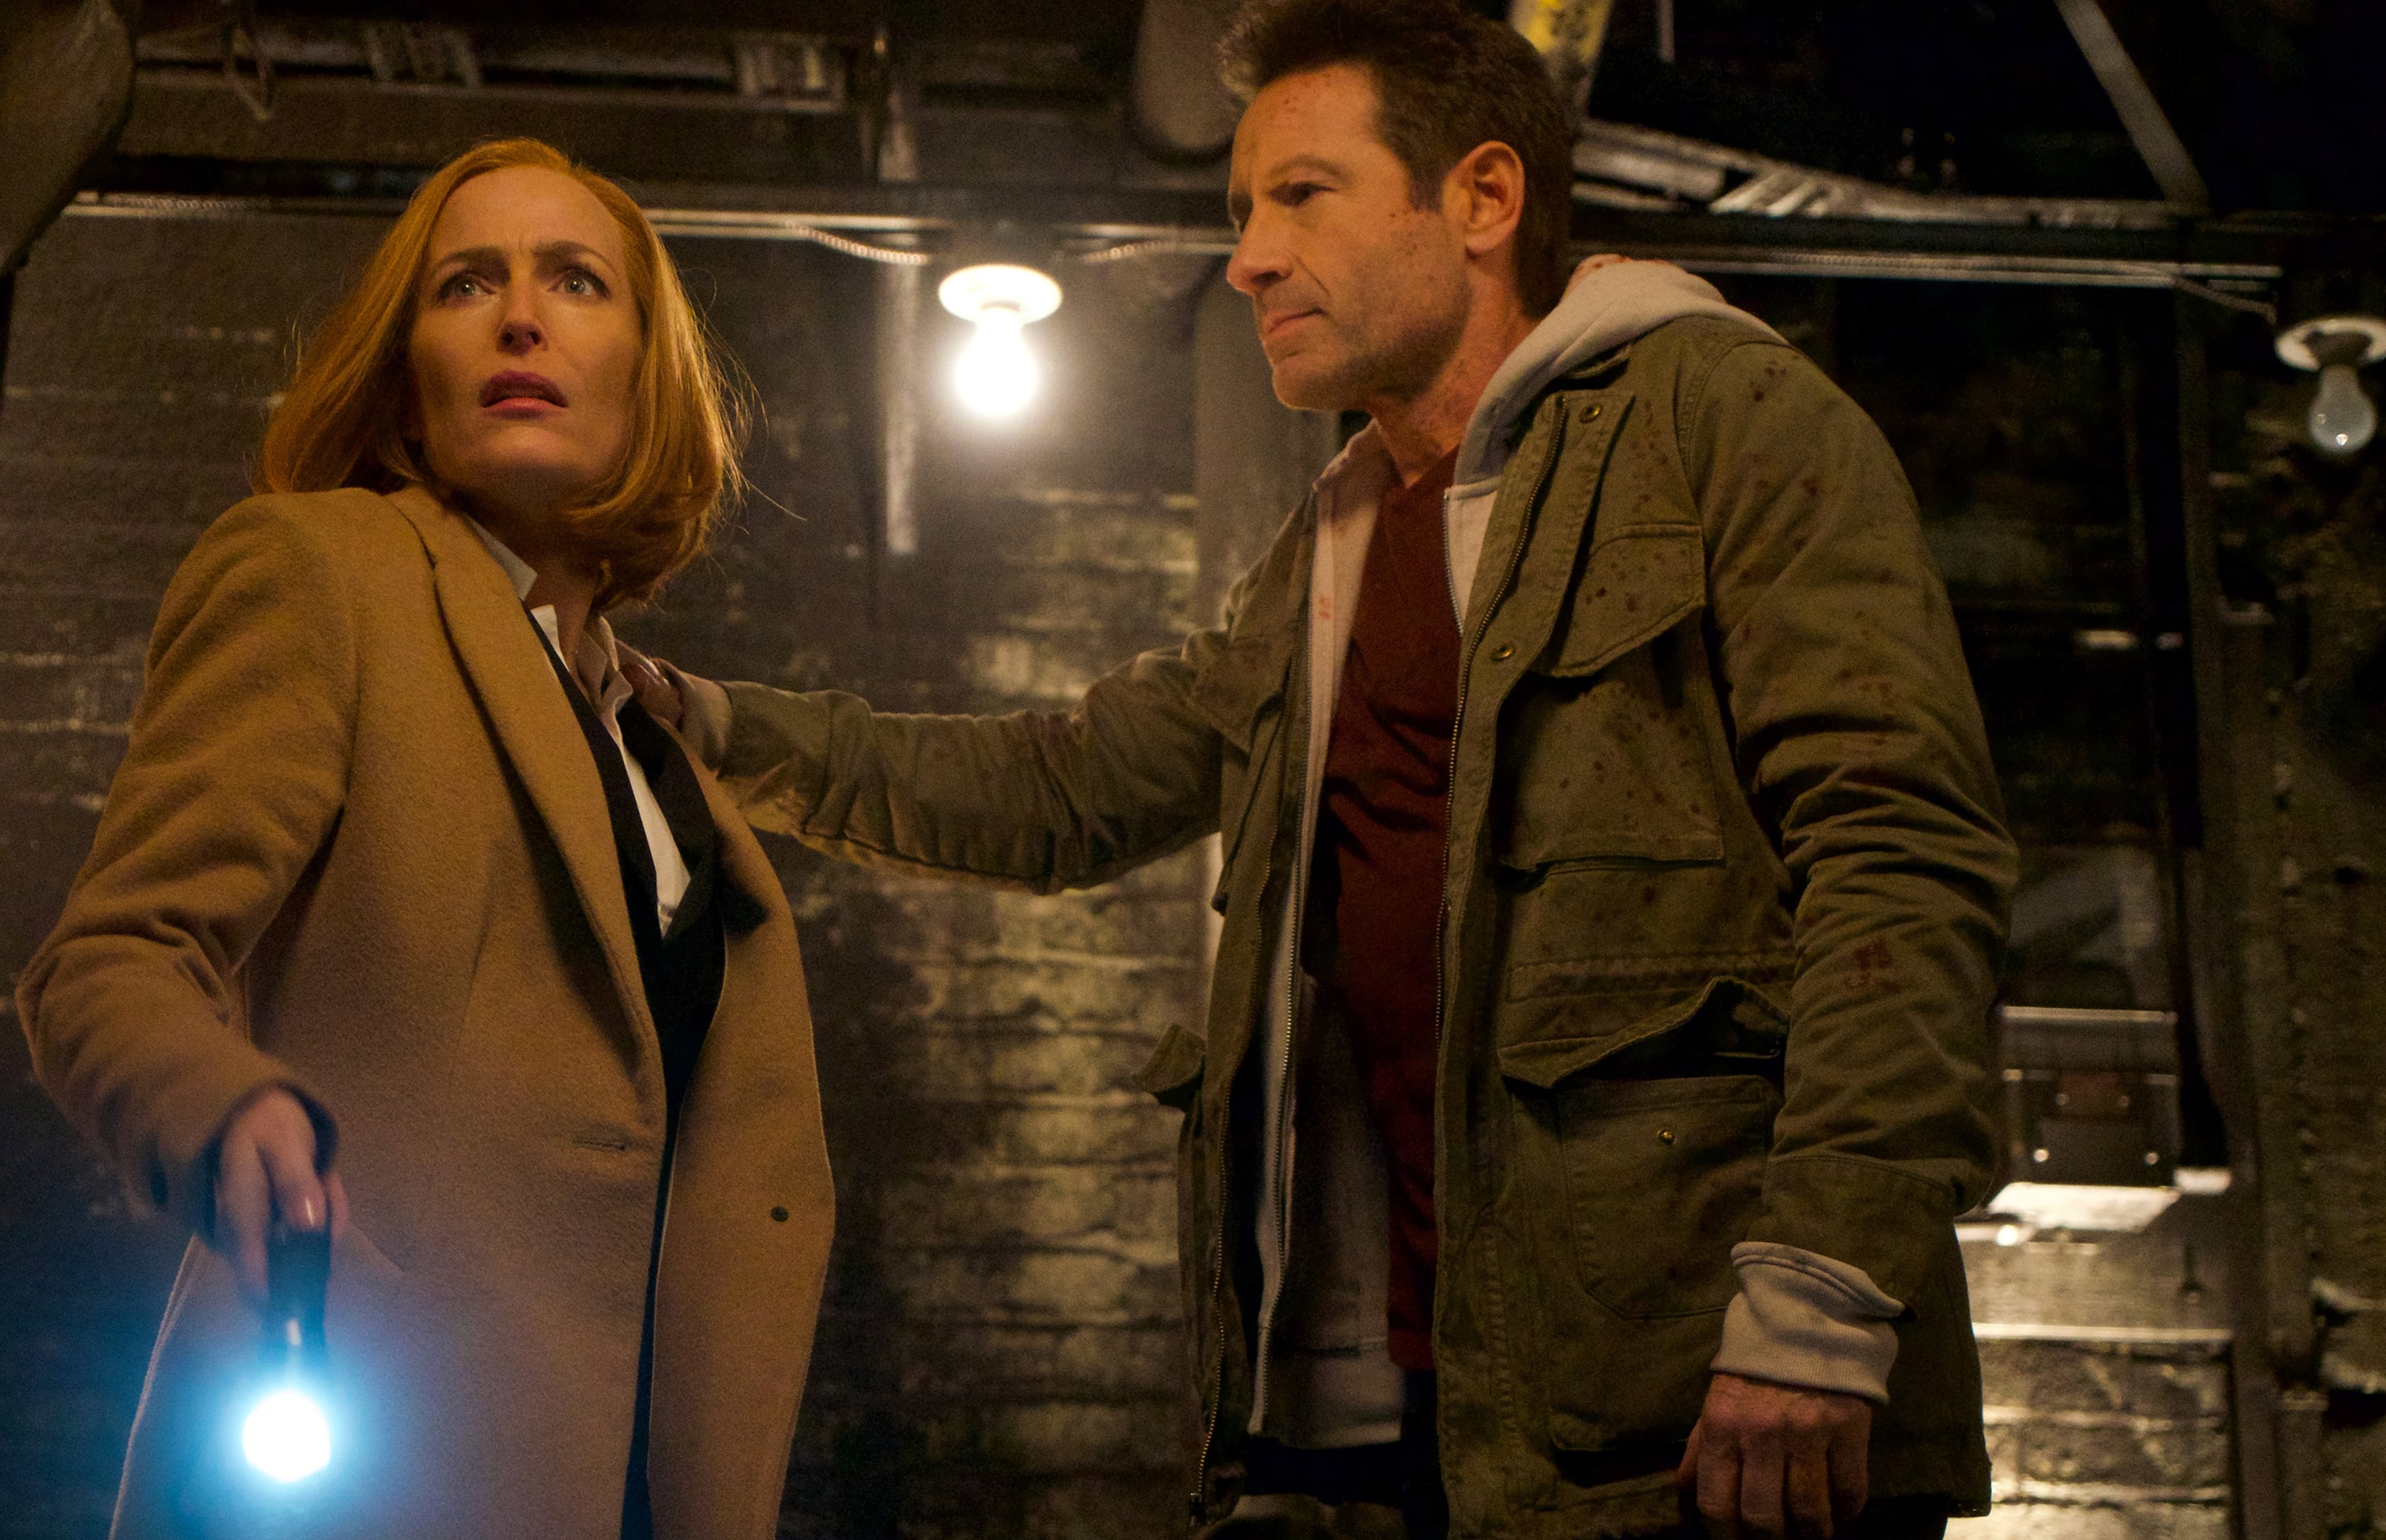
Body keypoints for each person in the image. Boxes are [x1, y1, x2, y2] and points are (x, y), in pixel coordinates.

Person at [651, 1, 2017, 1536]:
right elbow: (1065, 789)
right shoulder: (1331, 550)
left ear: (1482, 200)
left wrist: (1820, 1300)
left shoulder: (1726, 421)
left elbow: (1901, 854)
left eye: (1303, 195)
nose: (1247, 258)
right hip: (1410, 1435)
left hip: (1706, 1417)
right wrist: (699, 729)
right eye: (1245, 210)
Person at [18, 138, 832, 1540]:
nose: (519, 316)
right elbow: (110, 958)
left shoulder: (651, 744)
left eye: (576, 281)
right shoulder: (323, 570)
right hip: (375, 1456)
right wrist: (227, 1113)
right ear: (408, 377)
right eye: (466, 285)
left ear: (647, 374)